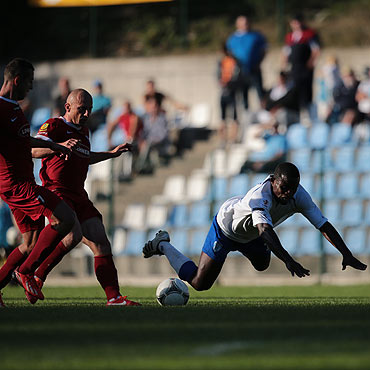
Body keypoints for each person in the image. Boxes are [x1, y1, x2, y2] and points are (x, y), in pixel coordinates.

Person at [143, 162, 367, 292]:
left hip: (251, 235)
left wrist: (346, 253)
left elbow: (323, 224)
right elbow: (265, 231)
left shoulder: (299, 195)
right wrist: (288, 260)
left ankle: (163, 244)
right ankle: (162, 244)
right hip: (226, 229)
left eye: (293, 188)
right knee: (200, 284)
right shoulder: (260, 196)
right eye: (284, 187)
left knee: (262, 265)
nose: (288, 193)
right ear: (274, 181)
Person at [30, 88, 140, 306]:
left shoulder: (83, 131)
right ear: (68, 107)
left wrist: (111, 154)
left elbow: (84, 157)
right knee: (73, 235)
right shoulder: (54, 126)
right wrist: (56, 146)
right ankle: (35, 274)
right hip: (57, 191)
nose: (88, 114)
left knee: (101, 241)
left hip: (79, 195)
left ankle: (114, 298)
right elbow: (33, 150)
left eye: (90, 109)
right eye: (83, 109)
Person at [0, 58, 76, 307]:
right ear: (18, 80)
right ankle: (26, 272)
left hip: (20, 182)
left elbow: (25, 140)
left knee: (30, 241)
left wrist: (54, 146)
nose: (31, 88)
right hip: (16, 185)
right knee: (65, 218)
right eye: (30, 82)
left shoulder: (12, 108)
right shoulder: (1, 108)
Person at [282, 14, 320, 118]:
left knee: (306, 91)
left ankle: (308, 114)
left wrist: (310, 63)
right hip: (294, 68)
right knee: (294, 90)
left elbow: (315, 50)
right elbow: (286, 52)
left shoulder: (309, 34)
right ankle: (296, 113)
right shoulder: (290, 37)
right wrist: (284, 65)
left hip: (305, 68)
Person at [226, 15, 267, 110]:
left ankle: (265, 112)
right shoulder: (233, 38)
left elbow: (264, 50)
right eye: (243, 23)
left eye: (247, 23)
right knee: (243, 93)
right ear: (238, 24)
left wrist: (259, 62)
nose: (246, 25)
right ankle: (246, 113)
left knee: (260, 92)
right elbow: (229, 53)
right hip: (241, 71)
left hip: (254, 69)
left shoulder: (256, 36)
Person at [218, 42, 241, 146]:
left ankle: (233, 139)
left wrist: (228, 83)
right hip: (224, 92)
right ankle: (223, 140)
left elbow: (236, 76)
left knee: (234, 117)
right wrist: (222, 83)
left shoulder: (235, 62)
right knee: (223, 118)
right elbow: (218, 76)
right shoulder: (222, 62)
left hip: (232, 92)